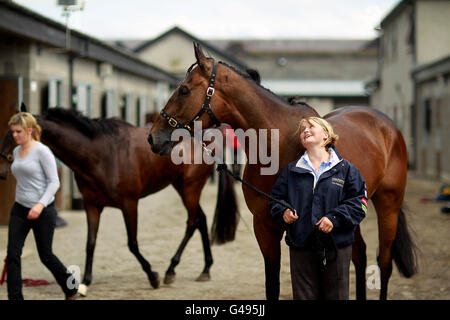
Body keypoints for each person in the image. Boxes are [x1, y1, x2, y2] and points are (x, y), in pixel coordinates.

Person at [269, 116, 367, 300]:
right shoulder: (291, 171)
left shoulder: (346, 170)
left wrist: (335, 218)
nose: (305, 131)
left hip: (336, 246)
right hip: (300, 245)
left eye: (311, 127)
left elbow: (360, 203)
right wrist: (284, 211)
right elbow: (275, 199)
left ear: (326, 134)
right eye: (302, 130)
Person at [6, 112, 78, 300]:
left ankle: (71, 287)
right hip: (20, 209)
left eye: (18, 131)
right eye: (12, 132)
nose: (14, 135)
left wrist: (39, 205)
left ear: (29, 131)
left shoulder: (42, 151)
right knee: (13, 254)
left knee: (46, 255)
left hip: (43, 210)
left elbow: (54, 182)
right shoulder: (15, 151)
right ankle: (15, 297)